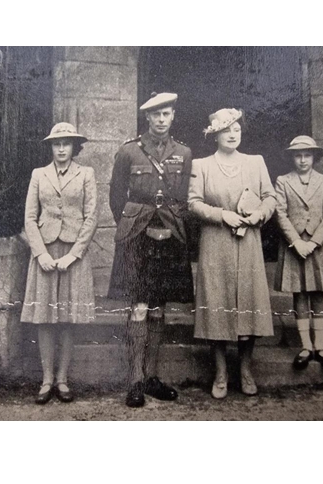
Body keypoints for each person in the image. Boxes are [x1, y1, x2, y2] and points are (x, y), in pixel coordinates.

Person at [108, 92, 194, 408]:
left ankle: (153, 377)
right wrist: (133, 222)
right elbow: (117, 197)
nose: (161, 120)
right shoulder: (129, 151)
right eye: (156, 114)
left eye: (166, 114)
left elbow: (185, 198)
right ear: (148, 117)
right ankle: (135, 380)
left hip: (170, 232)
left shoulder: (183, 153)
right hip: (137, 236)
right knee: (139, 306)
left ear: (173, 116)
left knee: (160, 308)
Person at [188, 108, 276, 399]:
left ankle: (246, 369)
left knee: (249, 302)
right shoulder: (202, 166)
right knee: (217, 304)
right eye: (226, 130)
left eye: (236, 129)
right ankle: (221, 371)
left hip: (248, 242)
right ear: (215, 134)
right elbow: (193, 203)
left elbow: (270, 197)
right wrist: (222, 215)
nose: (232, 134)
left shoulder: (255, 162)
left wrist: (260, 214)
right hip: (215, 242)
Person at [21, 122, 98, 404]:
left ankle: (63, 379)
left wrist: (72, 255)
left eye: (67, 143)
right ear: (51, 147)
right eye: (57, 144)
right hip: (44, 251)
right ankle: (46, 380)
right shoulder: (38, 175)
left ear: (74, 147)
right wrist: (40, 254)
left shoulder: (86, 174)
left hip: (73, 253)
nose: (62, 149)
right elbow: (30, 217)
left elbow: (91, 218)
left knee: (67, 317)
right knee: (45, 317)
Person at [274, 135, 323, 371]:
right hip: (294, 244)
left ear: (314, 157)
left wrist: (313, 242)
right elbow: (280, 213)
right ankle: (306, 347)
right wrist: (296, 241)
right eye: (298, 155)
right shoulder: (283, 181)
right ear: (292, 158)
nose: (303, 160)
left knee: (318, 292)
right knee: (300, 293)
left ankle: (321, 346)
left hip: (318, 245)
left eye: (307, 155)